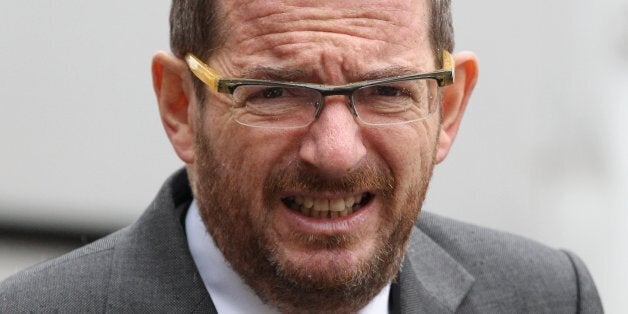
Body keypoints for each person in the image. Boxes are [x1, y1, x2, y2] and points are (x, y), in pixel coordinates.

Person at [0, 0, 603, 313]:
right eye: (275, 92)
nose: (335, 153)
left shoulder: (548, 297)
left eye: (388, 90)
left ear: (446, 108)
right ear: (181, 107)